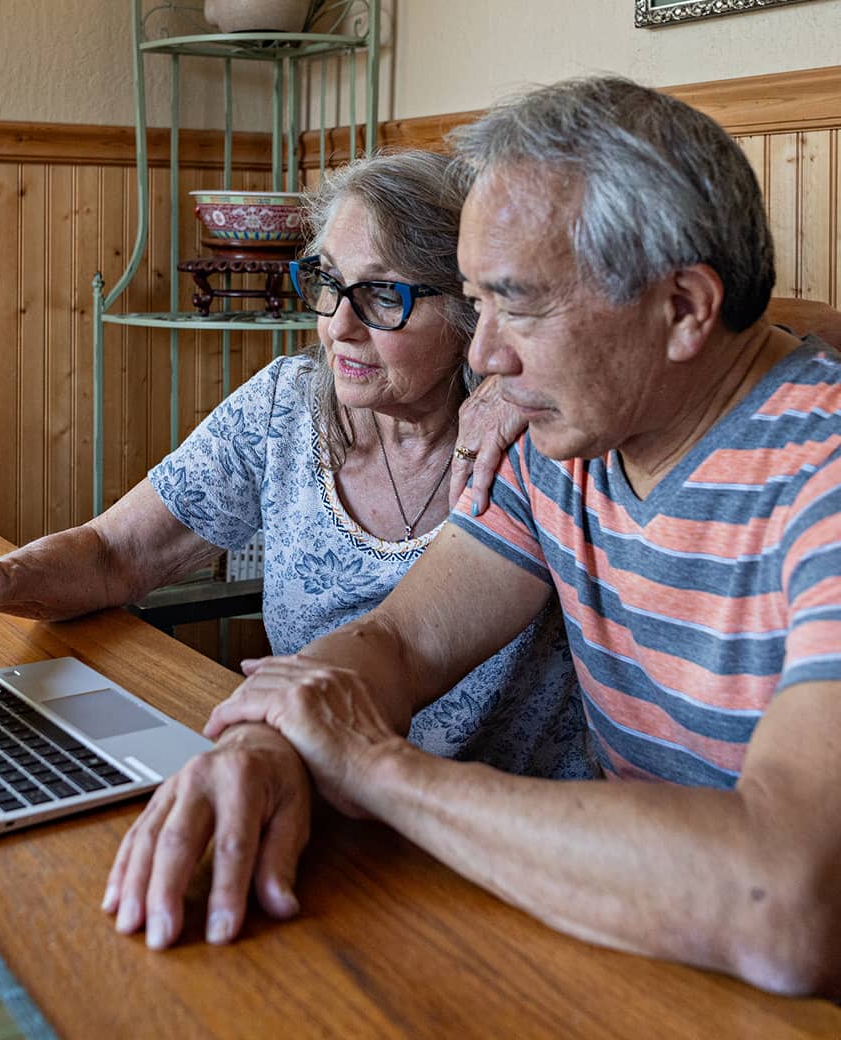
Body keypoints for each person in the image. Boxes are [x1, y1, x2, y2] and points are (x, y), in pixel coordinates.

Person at [104, 77, 841, 999]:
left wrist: (377, 770)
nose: (484, 359)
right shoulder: (563, 436)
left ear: (686, 307)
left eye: (518, 305)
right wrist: (269, 746)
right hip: (618, 938)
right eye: (477, 303)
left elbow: (788, 910)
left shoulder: (821, 471)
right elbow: (400, 641)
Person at [0, 151, 595, 777]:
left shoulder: (530, 437)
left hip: (499, 827)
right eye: (328, 282)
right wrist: (8, 575)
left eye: (384, 295)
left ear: (476, 310)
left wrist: (537, 379)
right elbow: (116, 552)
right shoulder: (286, 408)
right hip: (315, 786)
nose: (337, 327)